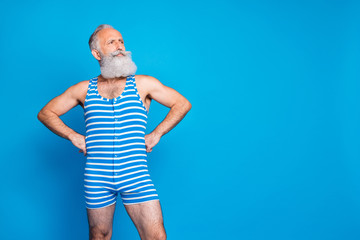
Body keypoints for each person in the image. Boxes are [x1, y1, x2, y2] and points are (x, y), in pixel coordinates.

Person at [37, 24, 192, 240]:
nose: (120, 46)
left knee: (155, 236)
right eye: (112, 42)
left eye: (121, 41)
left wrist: (157, 133)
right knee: (99, 234)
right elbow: (46, 113)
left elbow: (182, 103)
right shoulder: (83, 89)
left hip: (135, 174)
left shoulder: (143, 84)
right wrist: (73, 136)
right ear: (96, 53)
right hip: (97, 176)